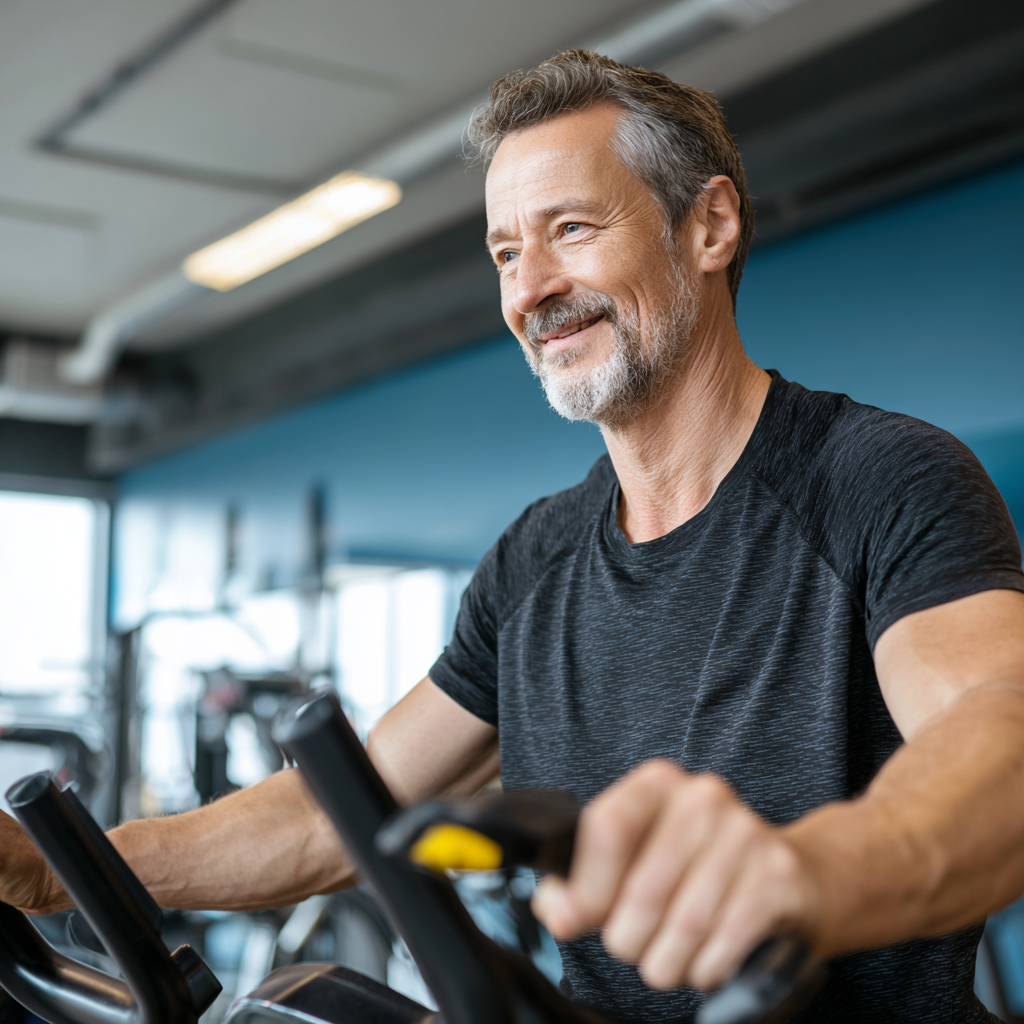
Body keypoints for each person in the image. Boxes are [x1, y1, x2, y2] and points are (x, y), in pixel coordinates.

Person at [3, 49, 1024, 1023]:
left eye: (570, 228)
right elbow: (330, 817)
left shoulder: (878, 478)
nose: (528, 288)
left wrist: (804, 871)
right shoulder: (537, 560)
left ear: (709, 225)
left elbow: (998, 727)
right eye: (504, 250)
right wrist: (52, 867)